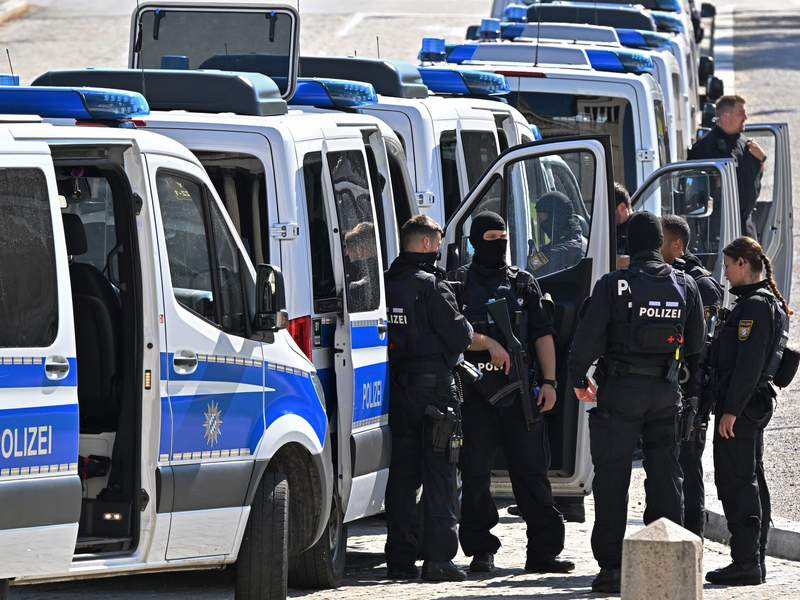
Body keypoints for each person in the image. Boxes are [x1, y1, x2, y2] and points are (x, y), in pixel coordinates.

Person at [569, 211, 706, 593]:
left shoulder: (614, 284)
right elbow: (695, 344)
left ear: (628, 242)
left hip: (620, 394)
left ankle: (613, 567)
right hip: (665, 394)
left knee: (613, 479)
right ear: (662, 242)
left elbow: (587, 340)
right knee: (666, 477)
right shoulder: (685, 283)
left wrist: (579, 378)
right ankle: (664, 557)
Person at [451, 211, 574, 575]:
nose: (499, 245)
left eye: (503, 238)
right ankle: (480, 550)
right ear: (474, 242)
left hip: (520, 393)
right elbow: (451, 332)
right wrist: (486, 343)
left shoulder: (523, 283)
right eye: (491, 239)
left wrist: (549, 382)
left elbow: (543, 334)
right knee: (474, 475)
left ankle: (544, 552)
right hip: (475, 394)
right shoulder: (457, 285)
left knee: (532, 473)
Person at [383, 215, 474, 582]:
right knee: (440, 474)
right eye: (437, 243)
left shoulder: (384, 285)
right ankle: (438, 558)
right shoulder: (432, 287)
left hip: (400, 389)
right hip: (436, 391)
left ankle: (399, 560)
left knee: (402, 476)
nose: (439, 249)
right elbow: (461, 337)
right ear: (425, 244)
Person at [705, 237, 792, 586]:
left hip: (742, 408)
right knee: (750, 480)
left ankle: (746, 563)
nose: (724, 274)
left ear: (742, 263)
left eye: (727, 266)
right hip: (749, 406)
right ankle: (753, 558)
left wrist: (731, 411)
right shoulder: (762, 302)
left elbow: (748, 365)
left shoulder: (756, 306)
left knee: (736, 482)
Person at [660, 215, 723, 539]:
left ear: (676, 244)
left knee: (688, 467)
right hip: (671, 391)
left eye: (660, 242)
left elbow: (703, 349)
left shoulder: (701, 284)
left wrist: (695, 400)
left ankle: (693, 538)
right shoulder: (672, 278)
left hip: (692, 396)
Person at [688, 95, 766, 238]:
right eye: (741, 114)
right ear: (726, 116)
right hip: (721, 226)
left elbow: (755, 178)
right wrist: (714, 182)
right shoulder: (705, 147)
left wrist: (762, 159)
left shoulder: (746, 143)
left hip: (746, 224)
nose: (746, 118)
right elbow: (694, 191)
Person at [528, 191, 584, 276]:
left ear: (555, 218)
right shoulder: (565, 240)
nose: (541, 223)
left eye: (541, 218)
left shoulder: (566, 249)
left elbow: (532, 270)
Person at [614, 183, 634, 268]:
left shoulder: (641, 227)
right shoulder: (608, 229)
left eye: (607, 211)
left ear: (622, 207)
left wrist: (619, 260)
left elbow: (649, 261)